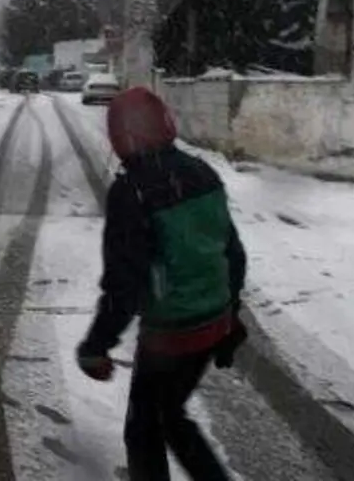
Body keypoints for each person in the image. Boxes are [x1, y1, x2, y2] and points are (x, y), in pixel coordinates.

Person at [77, 87, 248, 481]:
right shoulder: (203, 172)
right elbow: (232, 253)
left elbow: (125, 283)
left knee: (144, 428)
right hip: (213, 322)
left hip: (171, 334)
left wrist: (97, 345)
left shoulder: (132, 191)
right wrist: (231, 316)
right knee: (170, 416)